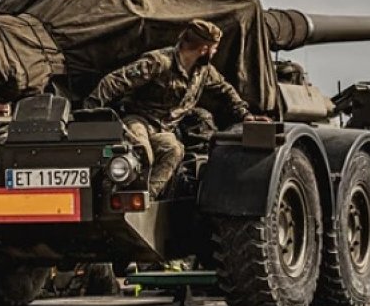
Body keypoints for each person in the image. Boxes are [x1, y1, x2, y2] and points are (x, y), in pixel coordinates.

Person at [84, 19, 270, 196]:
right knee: (141, 152)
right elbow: (115, 81)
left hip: (163, 129)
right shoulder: (159, 62)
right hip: (137, 120)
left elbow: (225, 90)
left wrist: (245, 115)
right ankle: (112, 192)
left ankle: (146, 198)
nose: (214, 54)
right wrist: (88, 112)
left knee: (174, 150)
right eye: (213, 49)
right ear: (204, 49)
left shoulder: (202, 72)